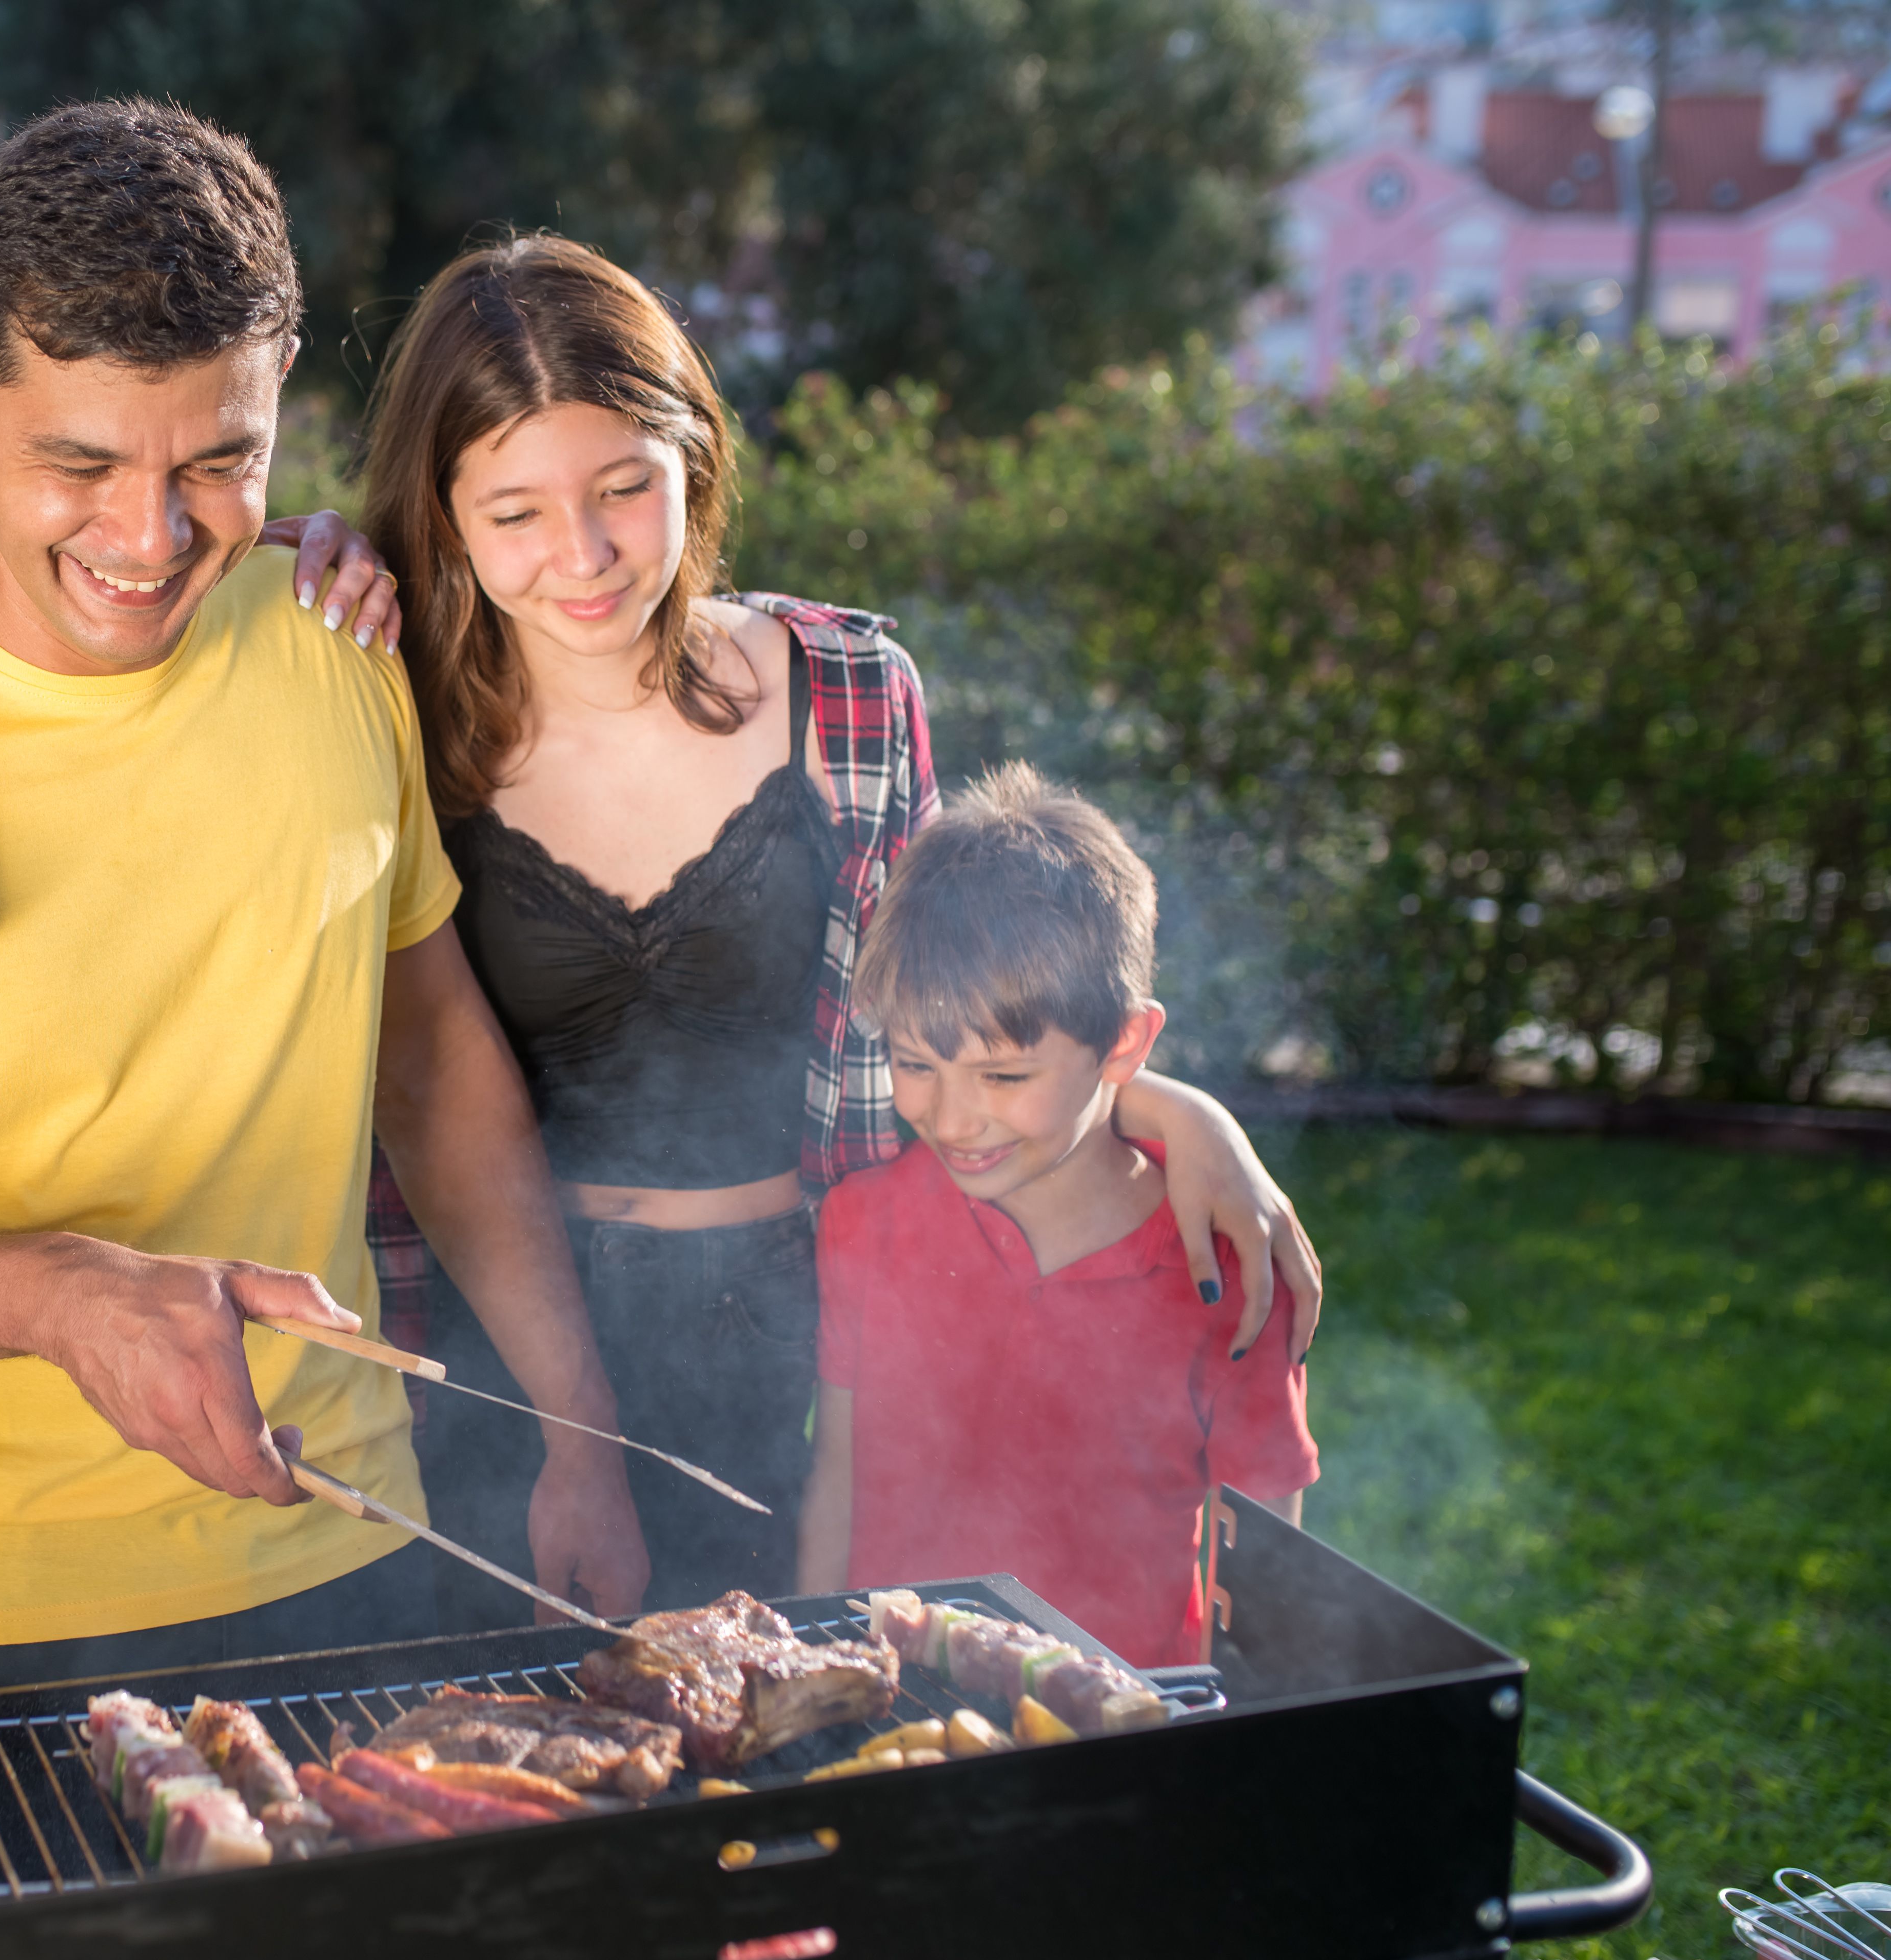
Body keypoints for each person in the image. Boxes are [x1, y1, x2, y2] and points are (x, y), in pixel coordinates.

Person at [0, 101, 649, 1721]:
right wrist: (61, 1297)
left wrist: (577, 1427)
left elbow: (436, 1059)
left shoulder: (335, 648)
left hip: (349, 1548)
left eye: (219, 462)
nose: (151, 535)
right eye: (82, 464)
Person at [358, 236, 1323, 1620]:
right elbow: (413, 1078)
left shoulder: (848, 693)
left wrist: (1170, 1107)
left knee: (766, 1748)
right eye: (513, 513)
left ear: (693, 458)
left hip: (787, 1321)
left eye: (627, 488)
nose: (581, 557)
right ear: (440, 514)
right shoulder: (383, 711)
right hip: (489, 1329)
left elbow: (955, 994)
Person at [795, 765, 1318, 1670]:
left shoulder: (1227, 1273)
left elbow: (1263, 1577)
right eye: (914, 1064)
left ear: (1126, 1045)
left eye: (1003, 1078)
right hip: (892, 1712)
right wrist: (804, 1663)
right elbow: (835, 1487)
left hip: (1126, 1729)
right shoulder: (861, 1225)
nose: (953, 1121)